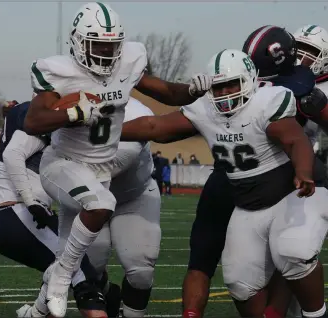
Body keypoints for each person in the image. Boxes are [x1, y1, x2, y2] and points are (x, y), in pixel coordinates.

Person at [22, 2, 212, 317]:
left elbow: (166, 91)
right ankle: (58, 279)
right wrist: (70, 112)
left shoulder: (128, 62)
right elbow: (33, 121)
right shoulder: (58, 70)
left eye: (112, 46)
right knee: (92, 241)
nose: (106, 54)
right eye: (98, 45)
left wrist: (192, 89)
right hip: (65, 163)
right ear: (78, 42)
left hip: (104, 177)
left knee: (129, 258)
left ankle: (39, 306)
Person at [120, 49, 328, 318]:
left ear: (250, 81)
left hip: (291, 195)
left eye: (232, 84)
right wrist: (111, 133)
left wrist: (303, 170)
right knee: (240, 284)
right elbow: (153, 128)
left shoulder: (265, 102)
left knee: (294, 251)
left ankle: (318, 314)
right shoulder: (205, 110)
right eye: (219, 87)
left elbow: (295, 139)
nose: (226, 93)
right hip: (248, 207)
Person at [178, 25, 328, 318]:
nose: (301, 59)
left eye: (310, 53)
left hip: (289, 170)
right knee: (230, 271)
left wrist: (318, 109)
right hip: (235, 172)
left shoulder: (313, 88)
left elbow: (300, 139)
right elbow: (164, 122)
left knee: (292, 252)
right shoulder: (257, 80)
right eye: (299, 50)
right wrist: (191, 90)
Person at [0, 100, 119, 318]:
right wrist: (31, 201)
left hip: (10, 215)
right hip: (18, 213)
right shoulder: (49, 113)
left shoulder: (30, 109)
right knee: (83, 277)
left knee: (66, 272)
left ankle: (34, 313)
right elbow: (13, 153)